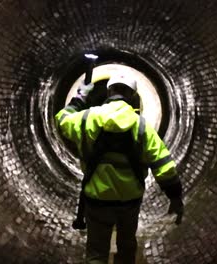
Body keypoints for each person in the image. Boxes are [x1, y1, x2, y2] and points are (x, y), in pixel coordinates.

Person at [55, 73, 183, 264]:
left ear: (109, 91)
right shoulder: (141, 127)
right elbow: (163, 165)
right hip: (129, 201)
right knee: (126, 247)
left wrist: (80, 97)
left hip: (97, 199)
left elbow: (62, 119)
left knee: (97, 252)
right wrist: (175, 197)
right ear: (132, 96)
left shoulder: (87, 118)